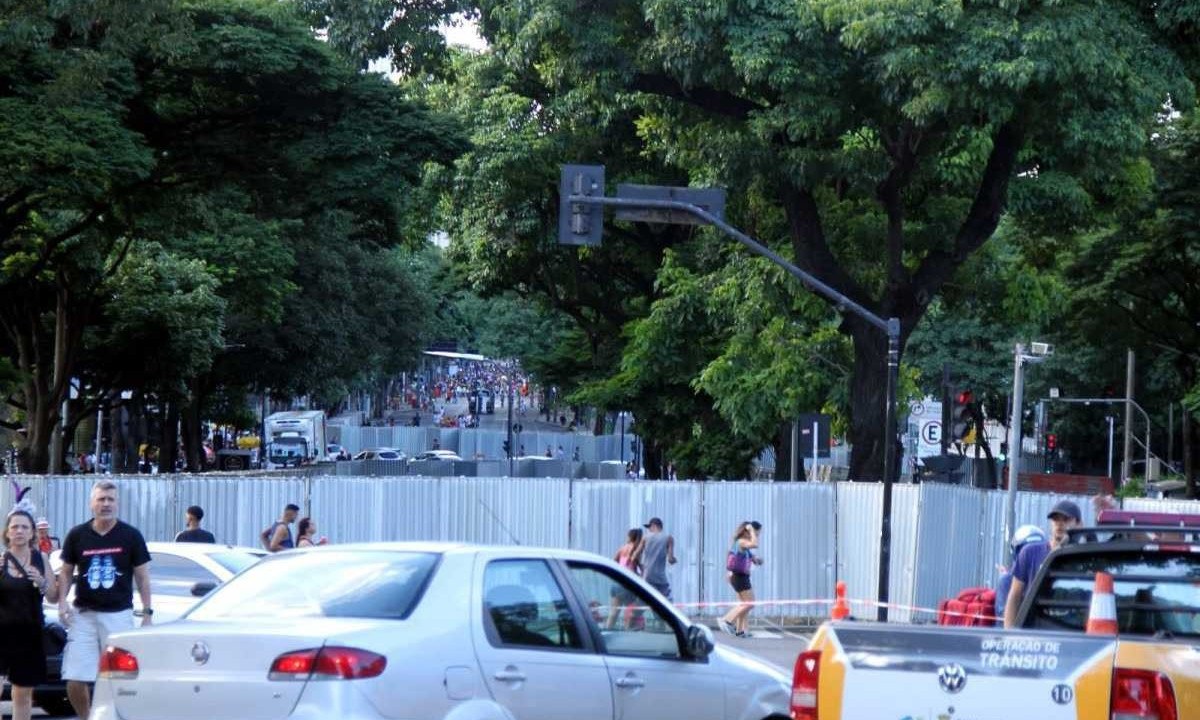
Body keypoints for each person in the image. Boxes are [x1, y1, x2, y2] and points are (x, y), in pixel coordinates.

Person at [58, 481, 152, 720]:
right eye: (101, 499)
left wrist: (147, 614)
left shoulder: (131, 535)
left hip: (118, 616)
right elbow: (67, 571)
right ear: (92, 504)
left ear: (117, 503)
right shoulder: (77, 535)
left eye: (110, 499)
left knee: (120, 679)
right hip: (84, 615)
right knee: (75, 678)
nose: (106, 504)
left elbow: (142, 576)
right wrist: (62, 601)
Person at [1, 509, 61, 720]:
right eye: (14, 526)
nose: (19, 531)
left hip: (29, 636)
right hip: (2, 633)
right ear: (7, 533)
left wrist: (42, 581)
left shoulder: (41, 558)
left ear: (32, 533)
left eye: (24, 527)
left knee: (23, 694)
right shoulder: (0, 561)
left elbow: (54, 596)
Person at [1003, 500, 1081, 628]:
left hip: (1068, 628)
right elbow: (1014, 595)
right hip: (1034, 629)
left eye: (1066, 519)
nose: (1060, 524)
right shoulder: (1030, 552)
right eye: (1055, 519)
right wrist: (1009, 634)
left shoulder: (1080, 557)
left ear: (1078, 524)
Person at [719, 521, 763, 638]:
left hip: (740, 577)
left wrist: (757, 560)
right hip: (739, 577)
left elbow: (750, 557)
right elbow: (755, 544)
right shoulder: (742, 542)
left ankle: (740, 631)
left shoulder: (742, 545)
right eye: (756, 533)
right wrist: (752, 530)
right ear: (748, 532)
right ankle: (727, 620)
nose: (757, 536)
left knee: (743, 605)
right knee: (749, 603)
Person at [993, 524, 1046, 619]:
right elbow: (1004, 618)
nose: (1030, 557)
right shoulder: (1007, 580)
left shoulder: (1046, 578)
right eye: (1025, 552)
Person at [606, 528, 643, 629]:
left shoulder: (622, 548)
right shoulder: (636, 549)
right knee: (630, 611)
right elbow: (635, 569)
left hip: (617, 582)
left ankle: (607, 630)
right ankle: (628, 634)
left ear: (630, 536)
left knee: (614, 612)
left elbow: (613, 562)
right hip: (627, 583)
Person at [635, 517, 677, 600]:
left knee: (645, 599)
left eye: (649, 527)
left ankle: (633, 612)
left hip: (647, 575)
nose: (649, 529)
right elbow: (670, 560)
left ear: (654, 525)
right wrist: (675, 560)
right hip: (660, 577)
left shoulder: (645, 537)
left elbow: (635, 555)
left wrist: (641, 567)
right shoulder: (669, 538)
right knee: (667, 600)